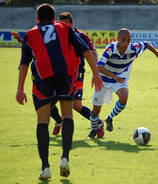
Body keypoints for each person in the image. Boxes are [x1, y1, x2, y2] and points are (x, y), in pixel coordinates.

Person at [15, 3, 103, 180]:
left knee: (42, 120)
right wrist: (95, 73)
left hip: (43, 76)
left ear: (37, 18)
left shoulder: (31, 32)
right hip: (64, 74)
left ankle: (45, 167)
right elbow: (85, 49)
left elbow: (24, 63)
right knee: (67, 115)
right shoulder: (64, 27)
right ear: (54, 18)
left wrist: (20, 88)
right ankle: (65, 158)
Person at [11, 12, 105, 138]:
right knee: (47, 104)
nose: (63, 26)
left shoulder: (80, 35)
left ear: (72, 23)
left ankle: (97, 124)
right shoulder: (57, 32)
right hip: (58, 72)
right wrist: (22, 41)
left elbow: (91, 51)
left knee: (76, 105)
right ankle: (59, 120)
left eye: (66, 24)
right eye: (60, 23)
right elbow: (41, 48)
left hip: (76, 73)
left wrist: (95, 69)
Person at [88, 28, 158, 138]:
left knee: (124, 97)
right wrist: (114, 77)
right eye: (123, 40)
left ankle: (110, 118)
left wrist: (157, 54)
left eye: (128, 40)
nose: (126, 43)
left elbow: (146, 44)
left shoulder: (133, 48)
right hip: (104, 79)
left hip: (120, 78)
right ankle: (94, 129)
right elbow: (99, 67)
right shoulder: (111, 48)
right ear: (117, 39)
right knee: (96, 110)